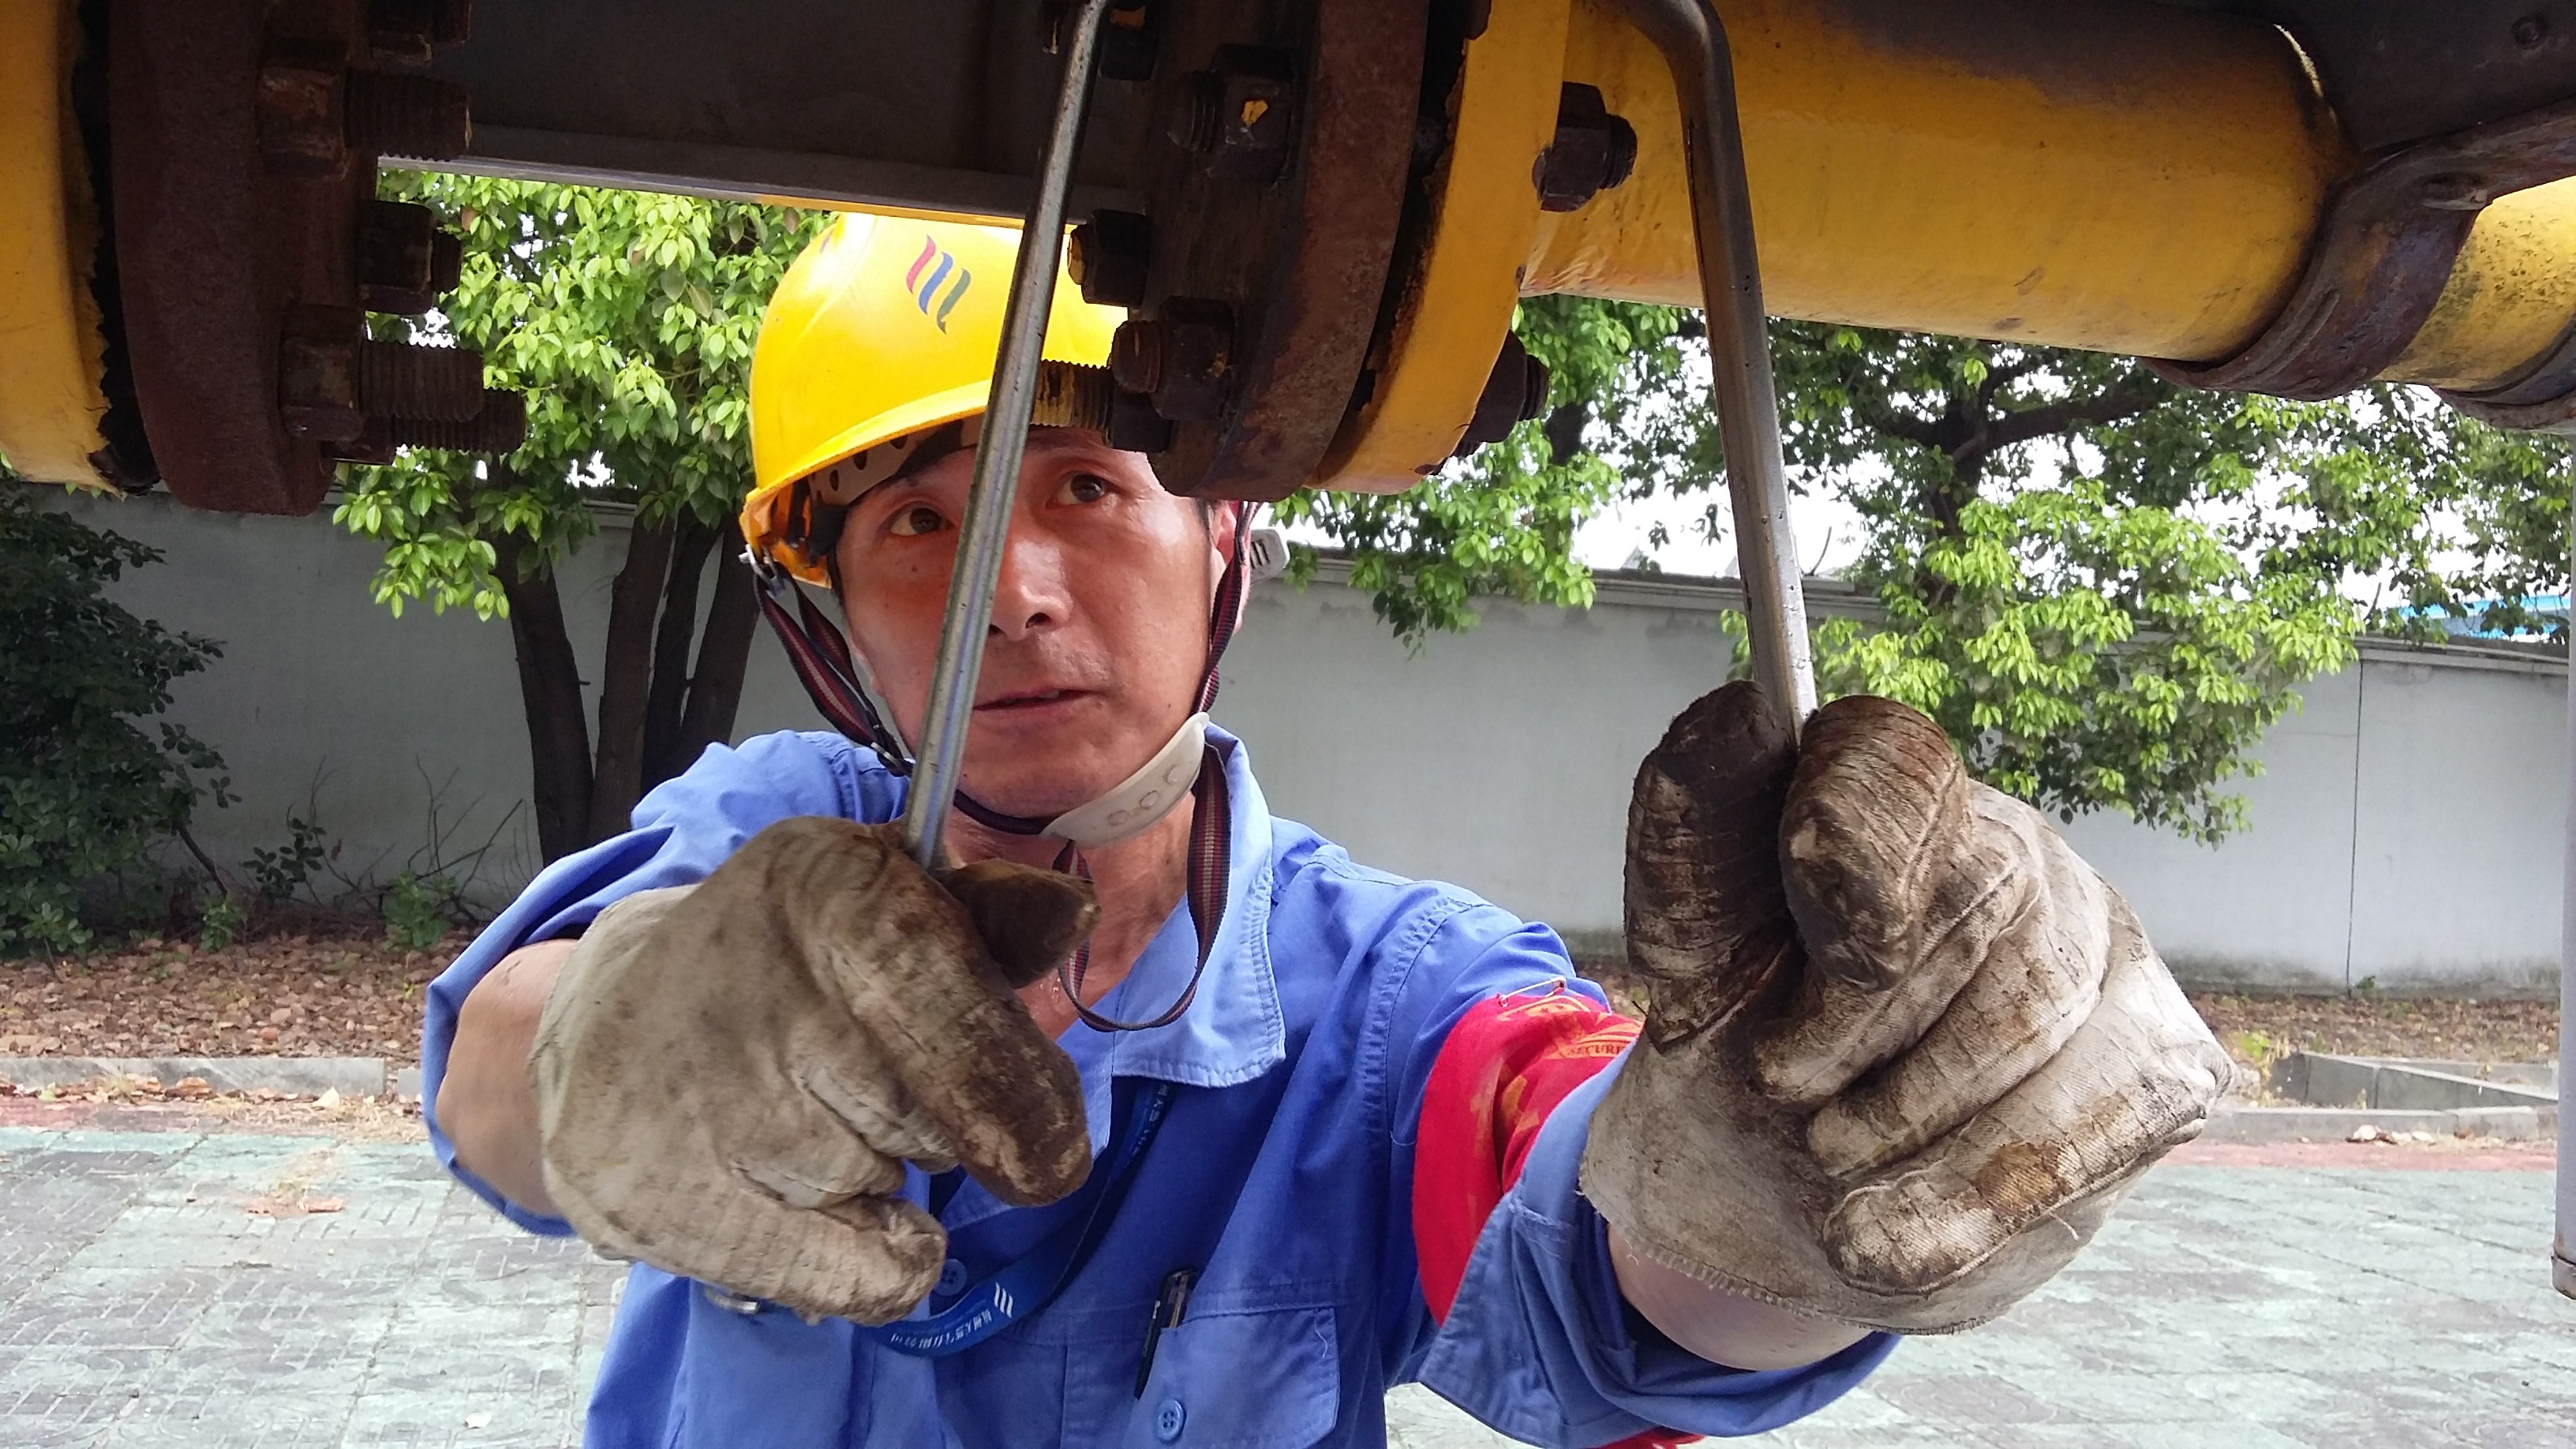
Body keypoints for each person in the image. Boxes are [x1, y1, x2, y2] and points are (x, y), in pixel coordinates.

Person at [422, 215, 2231, 1447]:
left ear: (1225, 541)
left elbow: (1619, 1275)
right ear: (826, 613)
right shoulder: (760, 840)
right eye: (916, 524)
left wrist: (1797, 1203)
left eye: (1087, 487)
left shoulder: (1392, 1004)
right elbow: (493, 1076)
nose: (1012, 593)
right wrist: (608, 1052)